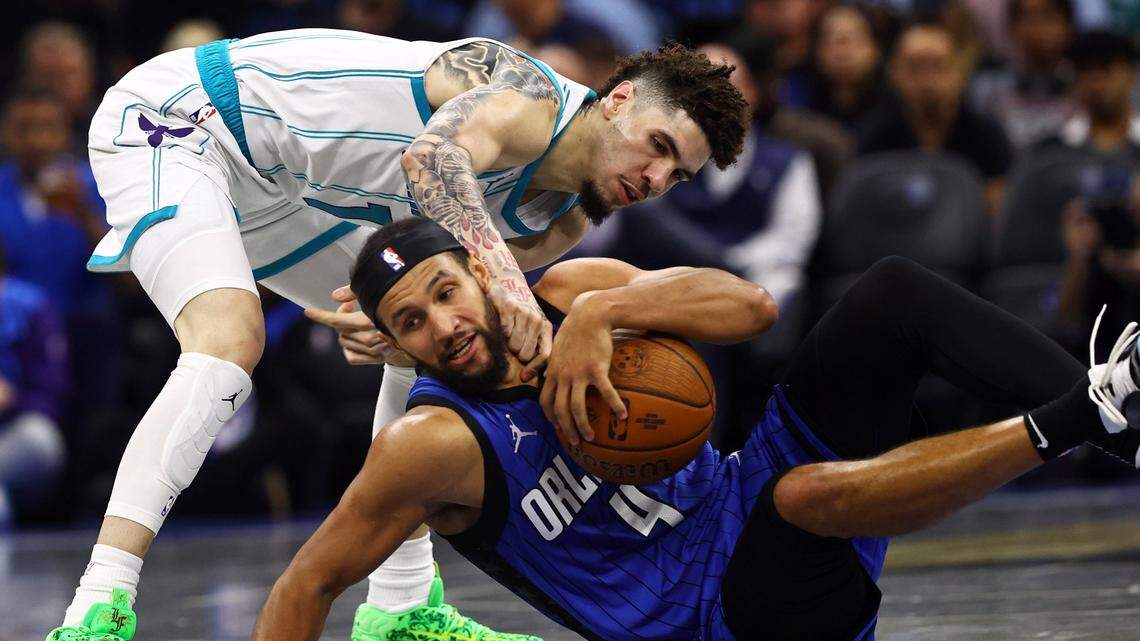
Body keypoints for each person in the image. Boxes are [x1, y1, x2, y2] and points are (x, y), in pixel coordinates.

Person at [49, 29, 746, 641]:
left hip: (288, 194)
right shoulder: (525, 93)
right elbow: (432, 160)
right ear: (619, 100)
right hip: (188, 118)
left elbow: (449, 295)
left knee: (429, 350)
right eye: (658, 147)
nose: (656, 178)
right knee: (230, 341)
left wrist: (397, 326)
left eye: (677, 175)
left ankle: (400, 605)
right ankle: (97, 606)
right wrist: (505, 283)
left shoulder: (564, 220)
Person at [253, 217, 1140, 641]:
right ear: (395, 343)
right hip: (716, 620)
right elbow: (306, 584)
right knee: (802, 496)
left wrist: (605, 310)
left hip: (742, 494)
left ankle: (1123, 425)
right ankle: (1079, 413)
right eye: (412, 322)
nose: (443, 326)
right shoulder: (433, 443)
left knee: (892, 292)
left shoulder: (566, 293)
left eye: (446, 292)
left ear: (481, 276)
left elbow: (751, 306)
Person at [858, 21, 1013, 215]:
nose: (926, 80)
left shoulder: (988, 134)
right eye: (914, 67)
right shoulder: (875, 136)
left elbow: (1002, 205)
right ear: (895, 74)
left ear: (959, 72)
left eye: (938, 66)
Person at [0, 244, 70, 526]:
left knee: (41, 439)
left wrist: (11, 399)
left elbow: (52, 393)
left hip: (12, 433)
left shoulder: (27, 306)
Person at [969, 0, 1077, 150]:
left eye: (1047, 16)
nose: (1036, 27)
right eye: (1026, 17)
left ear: (1068, 26)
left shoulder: (1085, 86)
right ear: (1011, 29)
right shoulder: (989, 93)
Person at [1039, 30, 1140, 162]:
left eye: (1105, 69)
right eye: (1085, 71)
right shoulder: (1051, 151)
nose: (1096, 83)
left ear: (1132, 75)